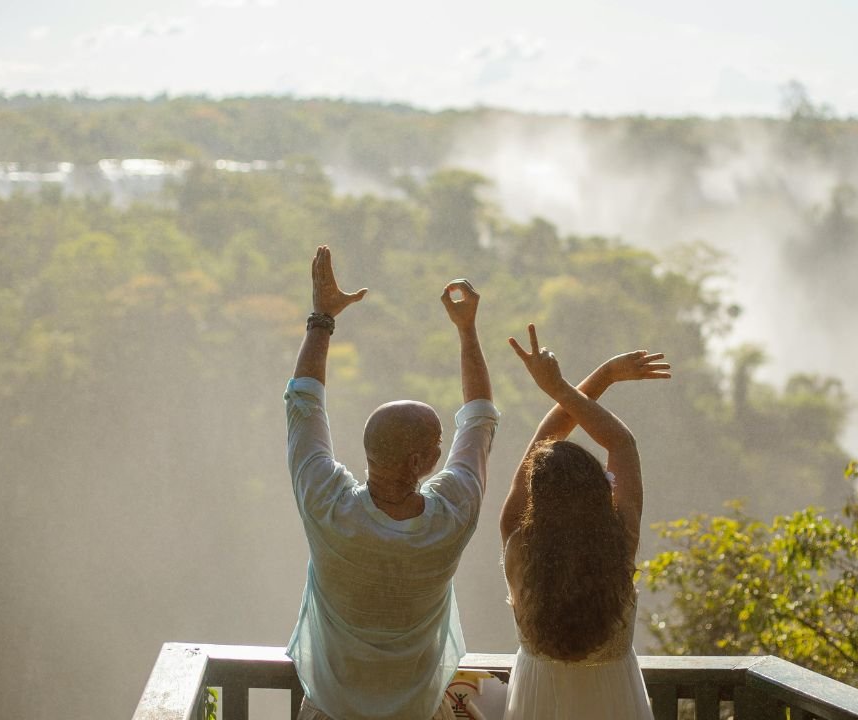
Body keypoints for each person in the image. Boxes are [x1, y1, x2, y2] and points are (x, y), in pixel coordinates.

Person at [284, 245, 500, 720]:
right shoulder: (453, 517)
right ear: (421, 461)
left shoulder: (326, 507)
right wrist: (467, 331)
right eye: (439, 442)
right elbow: (480, 419)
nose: (445, 448)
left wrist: (322, 317)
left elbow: (303, 405)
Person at [499, 323, 670, 720]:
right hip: (615, 702)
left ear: (535, 498)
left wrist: (591, 379)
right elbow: (621, 443)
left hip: (537, 702)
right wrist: (564, 386)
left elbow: (543, 443)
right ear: (599, 489)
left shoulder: (516, 541)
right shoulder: (620, 542)